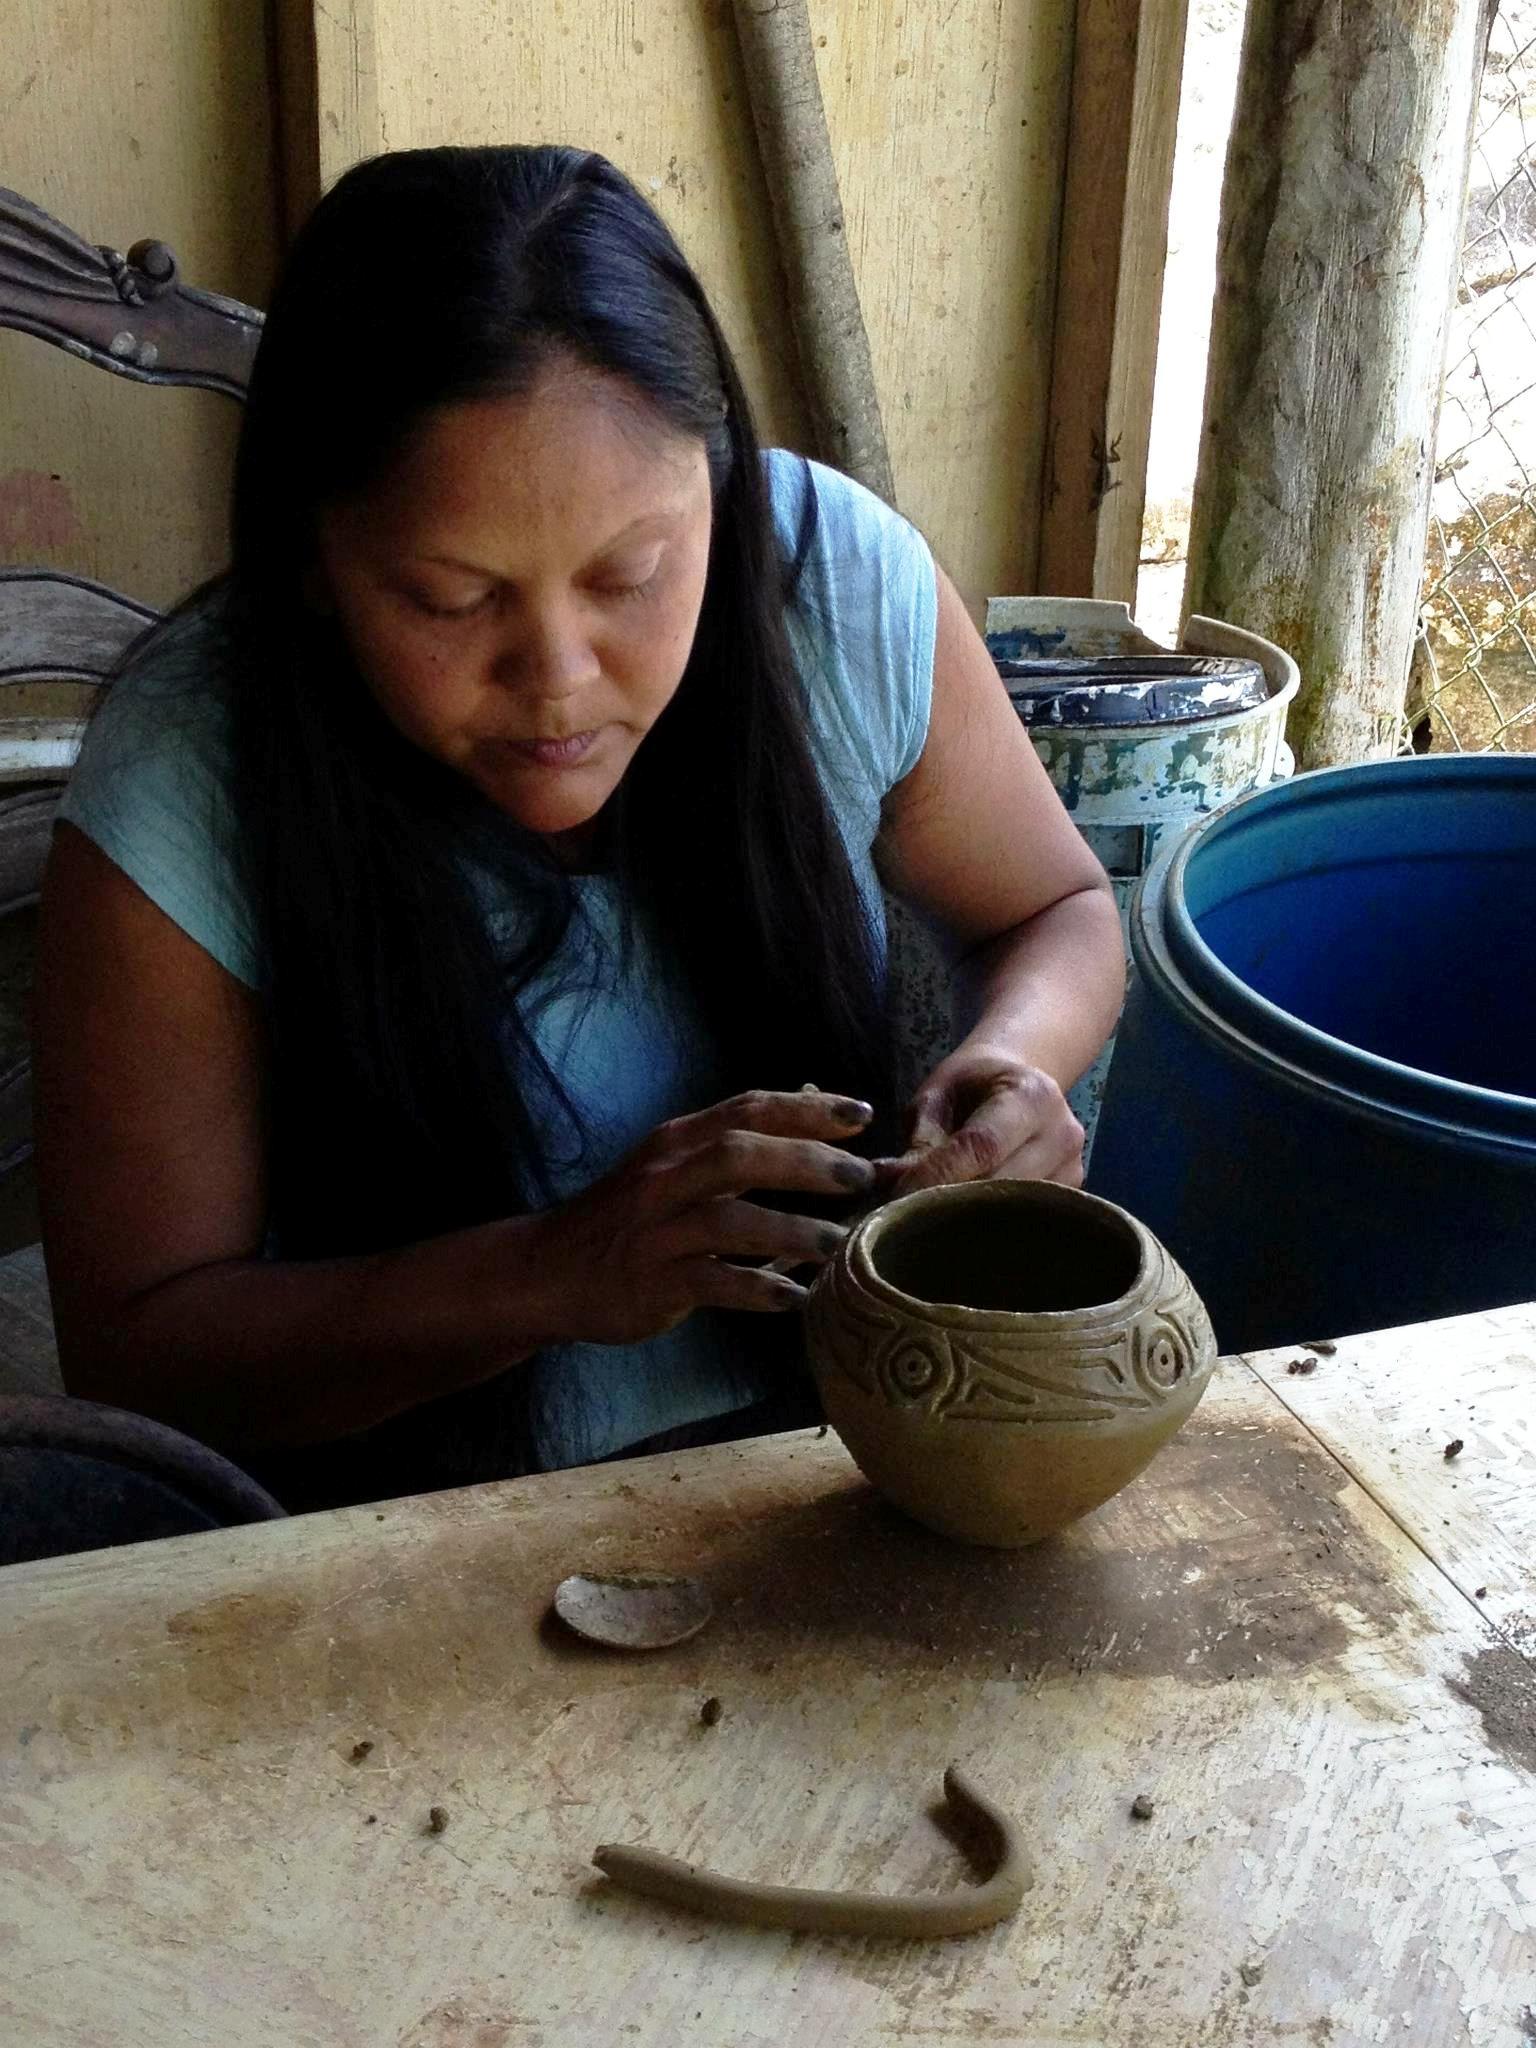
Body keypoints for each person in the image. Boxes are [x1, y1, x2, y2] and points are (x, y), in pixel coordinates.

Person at [34, 145, 1124, 1512]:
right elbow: (142, 1358)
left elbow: (1059, 911)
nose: (557, 676)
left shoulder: (824, 587)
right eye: (447, 599)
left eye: (633, 575)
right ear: (315, 564)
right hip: (402, 1543)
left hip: (833, 1467)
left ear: (716, 494)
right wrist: (548, 1273)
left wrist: (1015, 1063)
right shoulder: (193, 776)